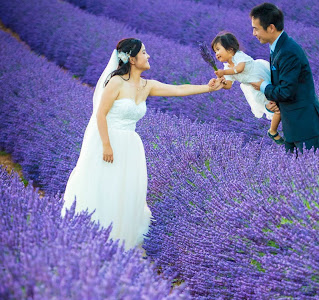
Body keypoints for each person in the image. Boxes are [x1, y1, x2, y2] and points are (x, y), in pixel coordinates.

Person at [62, 37, 223, 250]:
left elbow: (179, 90)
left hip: (131, 145)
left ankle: (120, 238)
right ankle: (93, 235)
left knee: (126, 189)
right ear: (132, 59)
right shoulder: (116, 82)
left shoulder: (147, 85)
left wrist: (208, 88)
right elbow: (100, 114)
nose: (148, 56)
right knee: (105, 185)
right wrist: (107, 145)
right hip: (108, 141)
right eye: (144, 53)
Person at [250, 3, 319, 154]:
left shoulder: (288, 51)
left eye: (256, 28)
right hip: (293, 126)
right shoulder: (278, 48)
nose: (254, 33)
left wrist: (263, 86)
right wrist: (275, 103)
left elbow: (286, 91)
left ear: (271, 27)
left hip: (305, 126)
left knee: (313, 173)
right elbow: (287, 87)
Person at [211, 32, 284, 144]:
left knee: (279, 103)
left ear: (230, 49)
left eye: (218, 49)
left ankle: (274, 129)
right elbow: (229, 85)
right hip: (255, 89)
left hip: (263, 78)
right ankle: (273, 131)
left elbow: (240, 68)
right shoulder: (226, 67)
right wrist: (221, 82)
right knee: (276, 108)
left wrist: (224, 72)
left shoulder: (238, 56)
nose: (216, 53)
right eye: (215, 51)